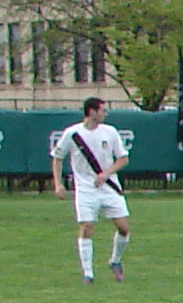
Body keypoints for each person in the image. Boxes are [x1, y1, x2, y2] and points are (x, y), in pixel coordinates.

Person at [51, 97, 131, 283]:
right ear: (92, 111)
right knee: (87, 226)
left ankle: (115, 260)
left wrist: (106, 174)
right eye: (103, 110)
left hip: (109, 187)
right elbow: (57, 158)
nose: (105, 114)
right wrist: (58, 183)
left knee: (123, 228)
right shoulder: (72, 133)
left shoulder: (110, 132)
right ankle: (88, 273)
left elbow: (123, 159)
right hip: (86, 189)